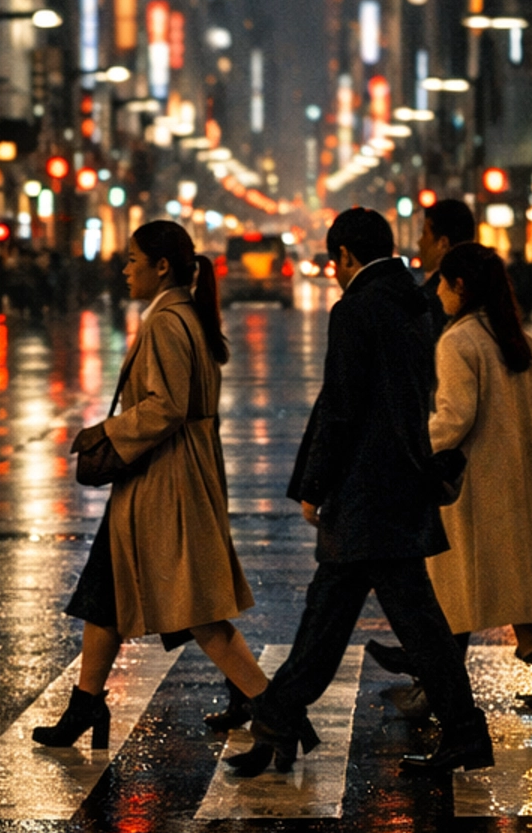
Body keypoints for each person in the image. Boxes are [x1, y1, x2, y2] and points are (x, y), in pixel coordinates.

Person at [234, 206, 493, 779]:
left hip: (363, 490)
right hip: (403, 484)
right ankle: (279, 722)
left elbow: (341, 407)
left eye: (334, 263)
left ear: (346, 257)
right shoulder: (417, 302)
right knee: (349, 617)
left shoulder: (357, 308)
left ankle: (279, 723)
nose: (333, 273)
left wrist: (315, 485)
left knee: (350, 620)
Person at [33, 218, 268, 746]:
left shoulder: (167, 321)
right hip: (171, 474)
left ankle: (268, 704)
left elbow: (166, 406)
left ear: (162, 266)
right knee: (105, 592)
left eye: (133, 260)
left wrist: (104, 434)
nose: (124, 269)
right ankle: (86, 705)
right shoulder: (183, 313)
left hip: (165, 479)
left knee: (198, 609)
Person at [369, 242, 532, 712]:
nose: (436, 292)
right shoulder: (519, 340)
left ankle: (439, 694)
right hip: (517, 489)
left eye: (443, 282)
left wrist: (408, 449)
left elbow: (454, 419)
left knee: (450, 599)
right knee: (521, 591)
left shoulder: (459, 342)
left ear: (460, 285)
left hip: (472, 493)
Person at [417, 194, 477, 330]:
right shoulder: (487, 289)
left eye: (425, 234)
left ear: (443, 243)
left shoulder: (430, 300)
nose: (420, 242)